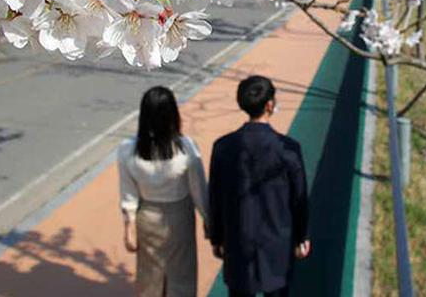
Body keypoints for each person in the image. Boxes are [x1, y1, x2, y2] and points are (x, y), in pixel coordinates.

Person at [209, 75, 310, 297]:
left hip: (238, 240)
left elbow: (215, 196)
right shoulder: (288, 150)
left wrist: (216, 236)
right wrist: (301, 236)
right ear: (270, 105)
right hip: (277, 242)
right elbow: (299, 199)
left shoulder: (223, 147)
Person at [118, 86, 209, 297]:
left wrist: (128, 227)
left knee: (150, 274)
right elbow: (199, 190)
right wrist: (209, 219)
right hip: (179, 219)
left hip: (147, 217)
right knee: (182, 273)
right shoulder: (186, 148)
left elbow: (128, 193)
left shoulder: (127, 150)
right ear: (173, 115)